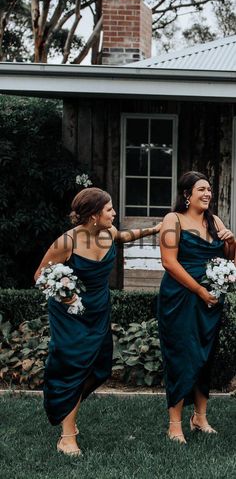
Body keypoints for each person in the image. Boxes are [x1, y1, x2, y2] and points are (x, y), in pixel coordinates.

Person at [34, 187, 162, 456]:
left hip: (98, 310)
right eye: (109, 209)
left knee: (99, 368)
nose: (114, 213)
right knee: (72, 366)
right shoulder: (66, 242)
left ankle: (66, 409)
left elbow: (125, 236)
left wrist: (155, 229)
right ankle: (68, 436)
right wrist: (65, 295)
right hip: (70, 315)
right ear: (93, 215)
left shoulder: (109, 233)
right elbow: (40, 276)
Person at [158, 171, 235, 444]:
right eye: (201, 189)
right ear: (186, 195)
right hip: (180, 298)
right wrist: (199, 289)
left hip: (210, 302)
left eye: (209, 189)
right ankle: (175, 424)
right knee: (180, 356)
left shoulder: (214, 220)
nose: (207, 194)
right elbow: (169, 262)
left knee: (205, 355)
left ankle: (200, 418)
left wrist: (231, 242)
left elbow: (229, 261)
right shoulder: (172, 219)